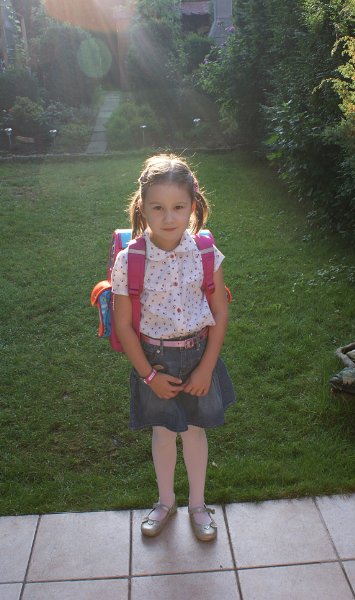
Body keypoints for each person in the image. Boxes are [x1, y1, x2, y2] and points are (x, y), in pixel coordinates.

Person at [111, 154, 236, 542]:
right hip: (155, 362)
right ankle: (165, 503)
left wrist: (206, 367)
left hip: (199, 356)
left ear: (193, 206)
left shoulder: (206, 253)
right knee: (164, 434)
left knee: (195, 432)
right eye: (158, 208)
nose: (168, 218)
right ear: (142, 207)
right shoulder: (129, 260)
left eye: (179, 207)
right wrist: (149, 376)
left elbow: (220, 312)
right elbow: (123, 326)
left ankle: (198, 506)